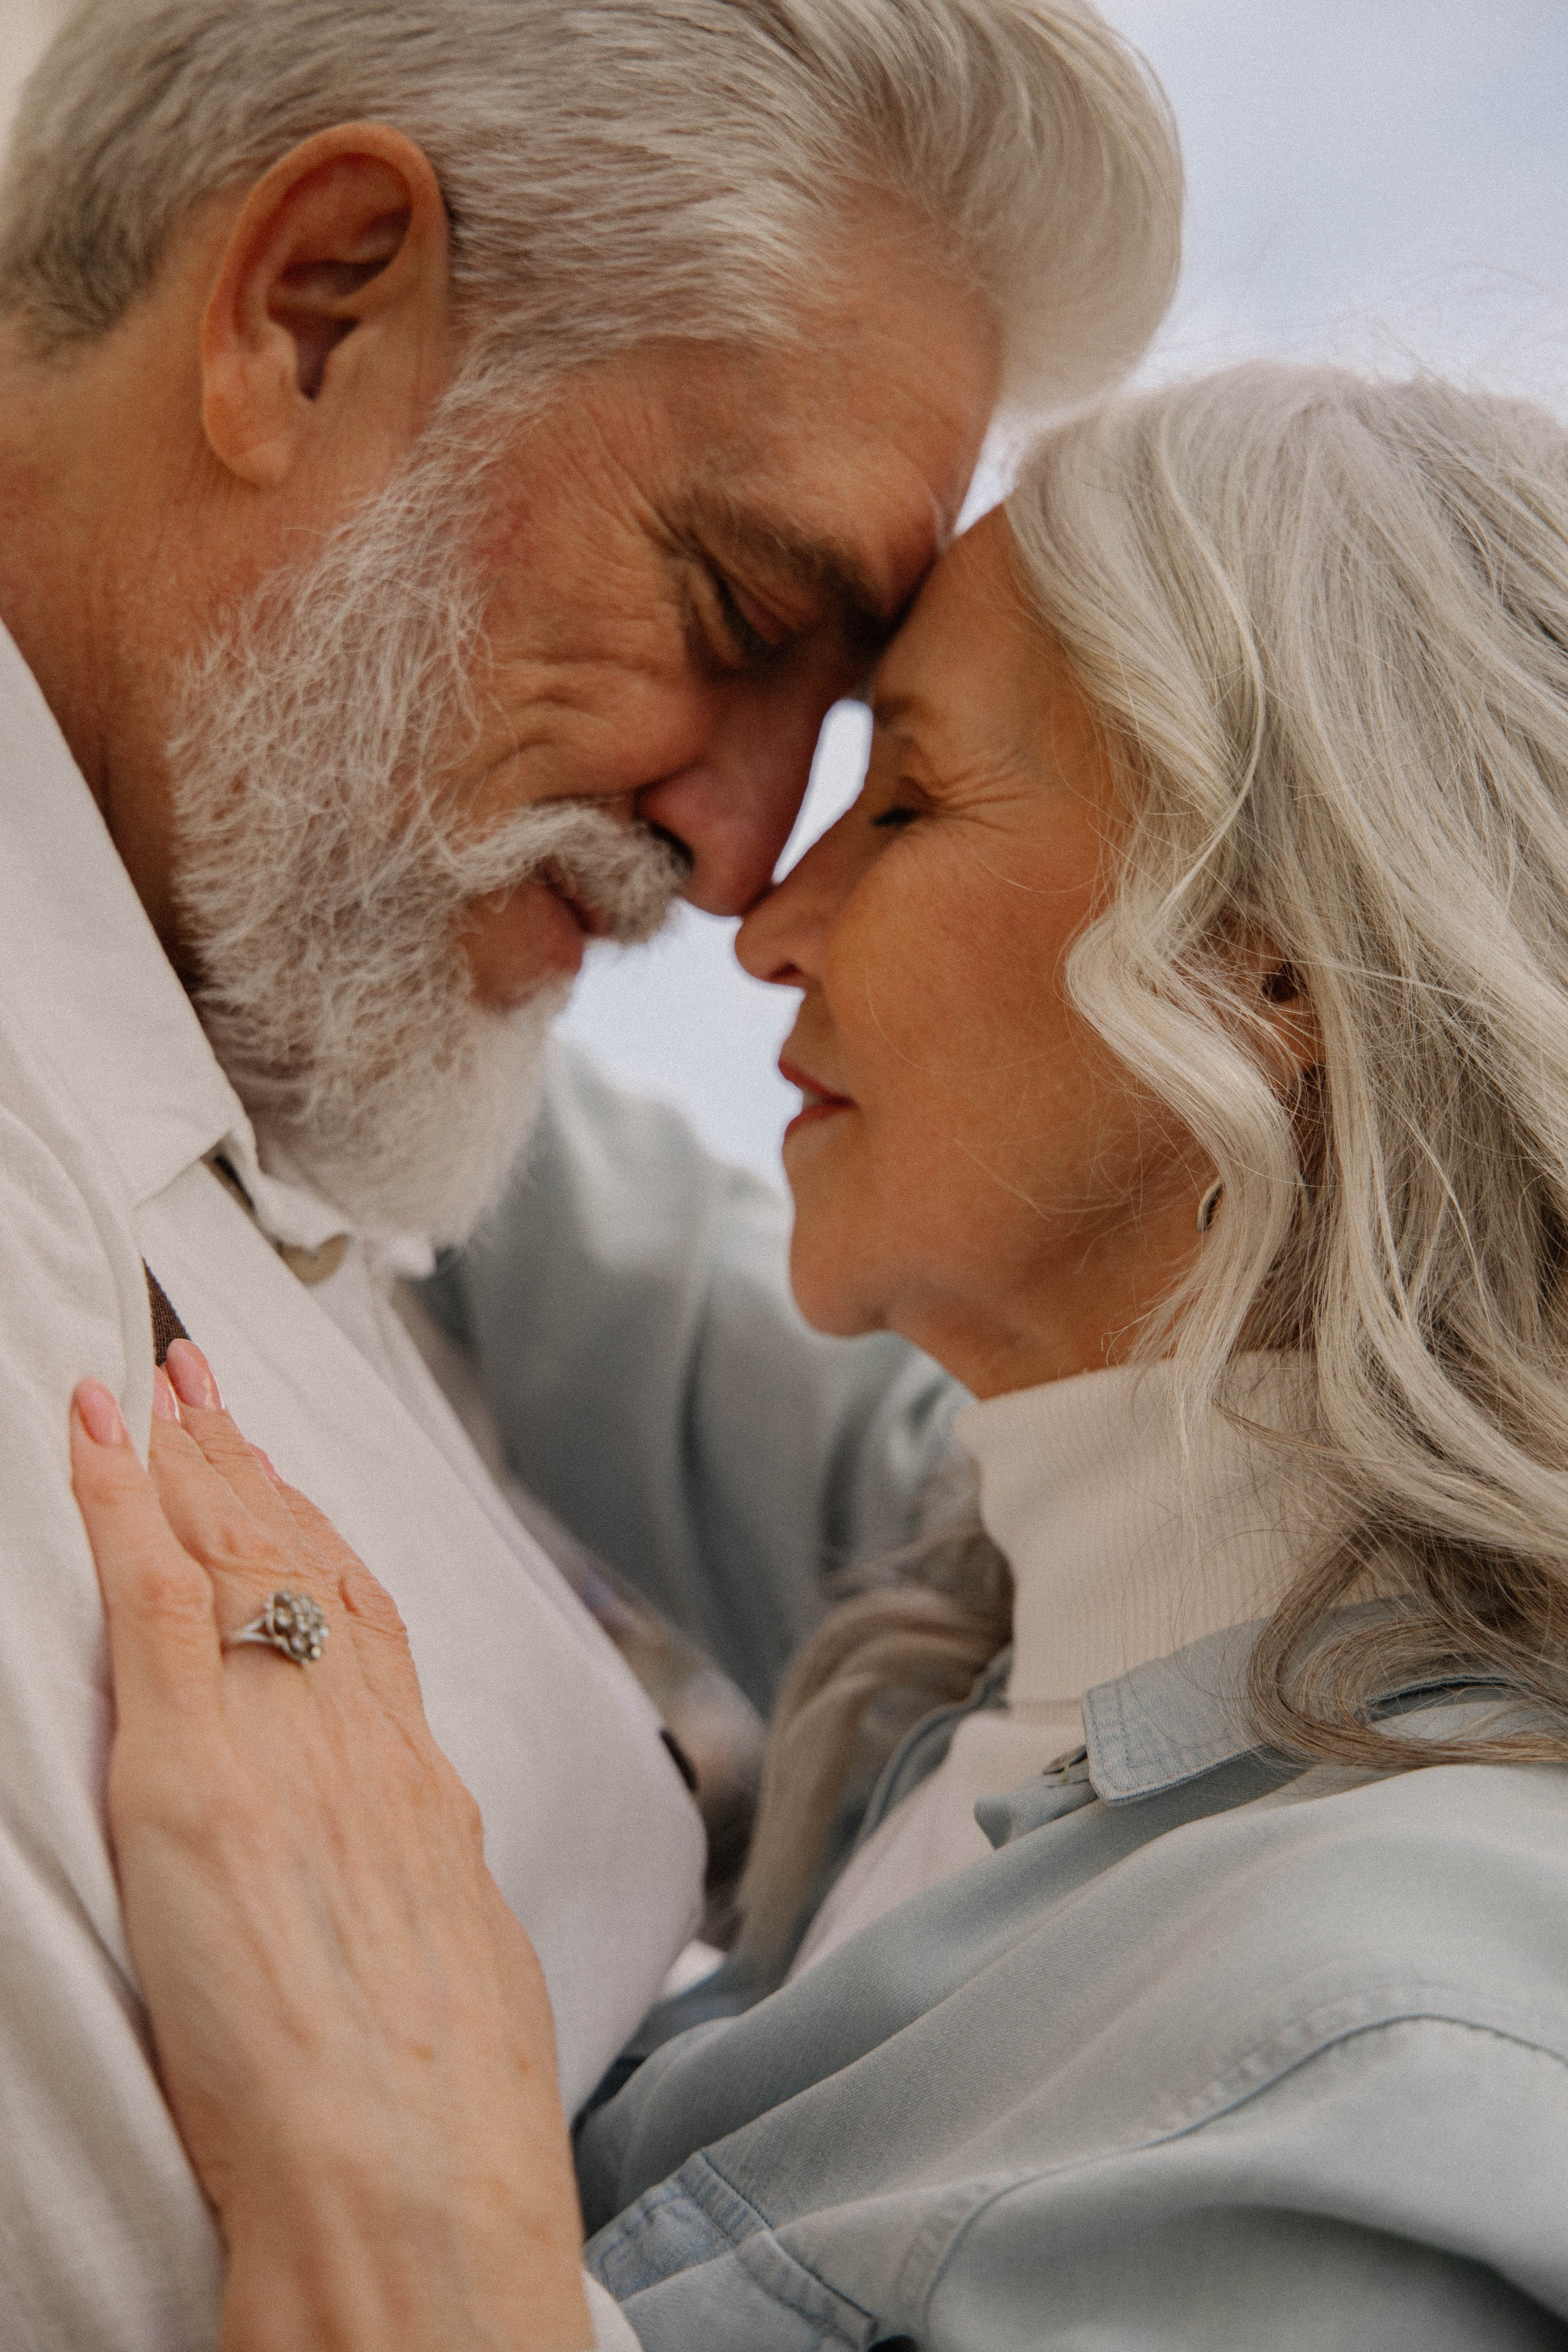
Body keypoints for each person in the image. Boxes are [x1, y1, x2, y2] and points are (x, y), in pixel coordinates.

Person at [74, 359, 1568, 2348]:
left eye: (911, 796)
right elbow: (582, 1239)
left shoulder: (1405, 2052)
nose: (765, 918)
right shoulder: (993, 1587)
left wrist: (427, 2236)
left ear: (1275, 961)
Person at [0, 2, 1180, 2339]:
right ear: (312, 307)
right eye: (739, 617)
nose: (743, 863)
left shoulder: (256, 989)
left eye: (872, 761)